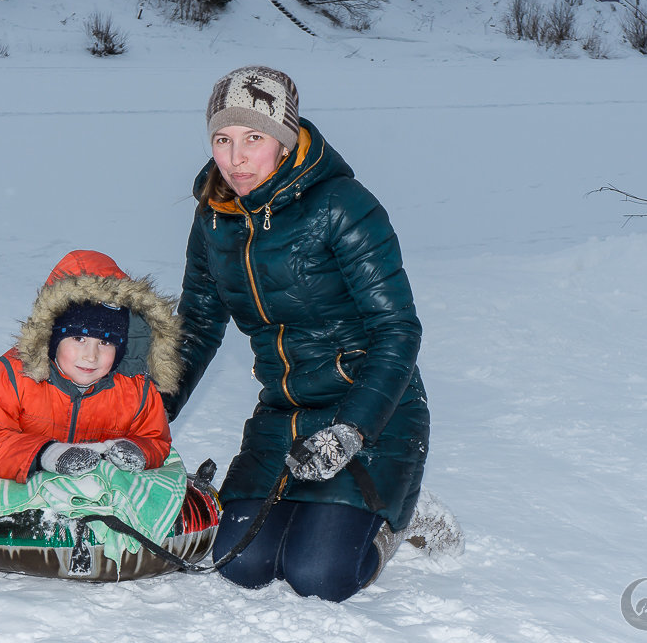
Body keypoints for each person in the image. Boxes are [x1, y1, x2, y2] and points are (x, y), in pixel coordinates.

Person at [162, 66, 461, 602]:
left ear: (283, 138)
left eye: (254, 138)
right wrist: (148, 415)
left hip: (372, 411)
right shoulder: (214, 217)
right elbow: (197, 326)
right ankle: (324, 510)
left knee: (319, 575)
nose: (235, 158)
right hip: (284, 413)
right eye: (222, 140)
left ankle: (401, 516)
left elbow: (398, 330)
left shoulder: (343, 204)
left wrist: (350, 431)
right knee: (240, 562)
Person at [0, 249, 183, 510]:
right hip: (14, 473)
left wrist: (139, 451)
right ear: (52, 336)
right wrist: (47, 453)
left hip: (88, 486)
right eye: (78, 338)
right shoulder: (12, 375)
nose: (91, 356)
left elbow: (154, 438)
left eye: (106, 343)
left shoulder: (135, 388)